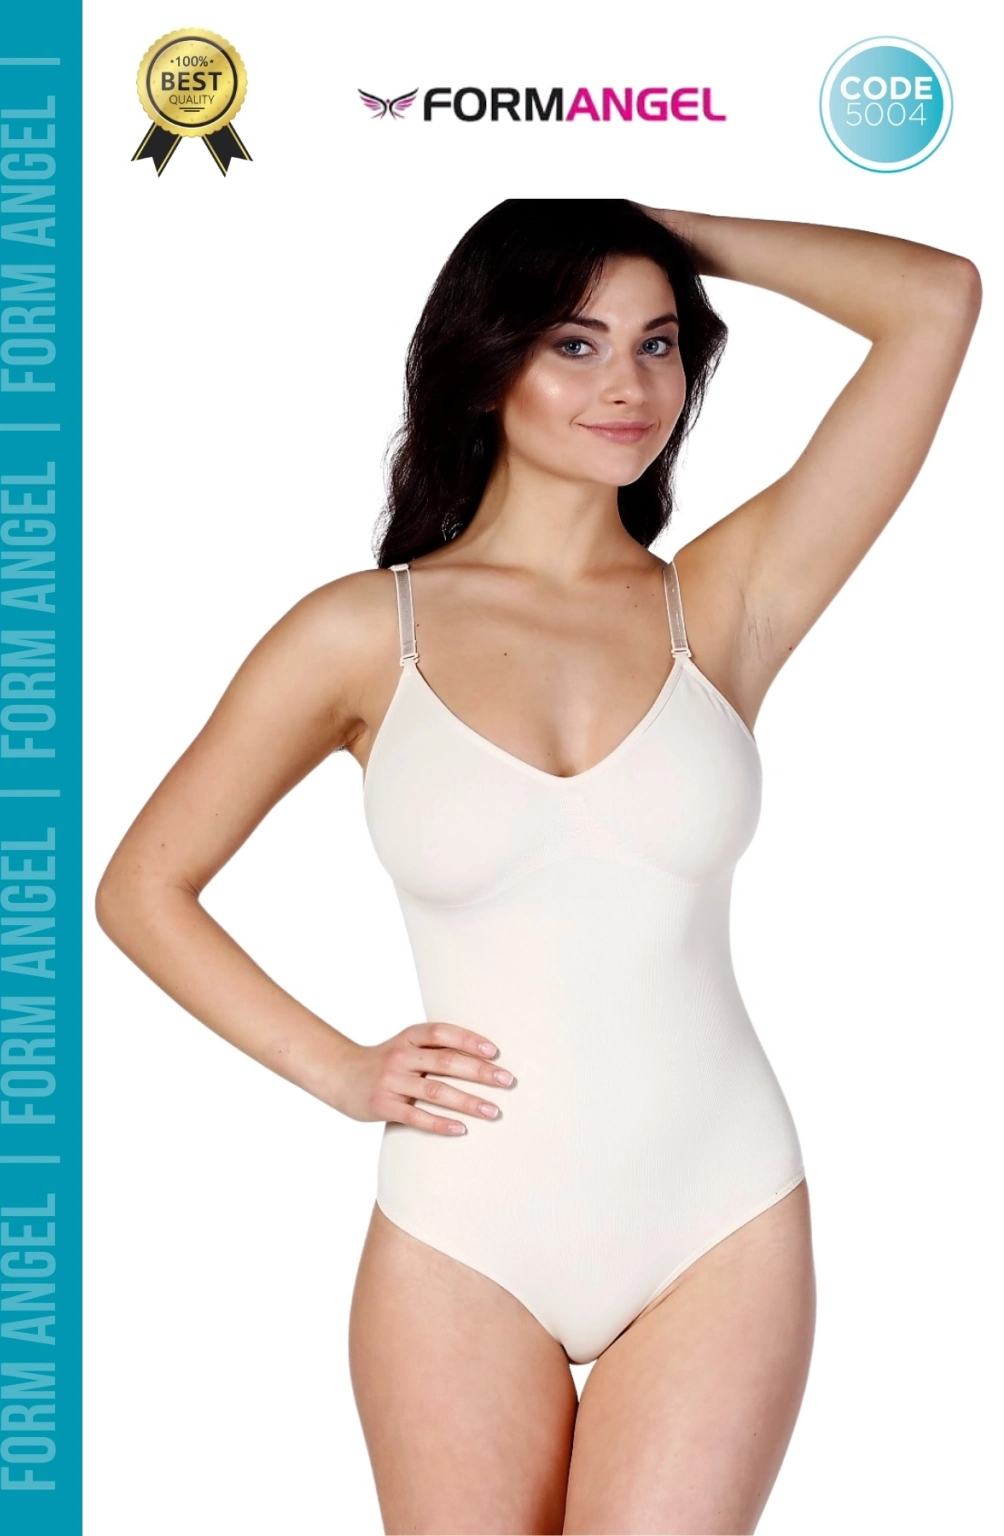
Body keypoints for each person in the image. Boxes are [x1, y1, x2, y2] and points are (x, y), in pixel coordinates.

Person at [96, 200, 980, 1534]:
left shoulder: (721, 604)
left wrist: (649, 225)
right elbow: (143, 889)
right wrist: (340, 1070)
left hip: (719, 1212)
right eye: (575, 342)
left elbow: (938, 299)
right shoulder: (363, 633)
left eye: (658, 342)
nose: (628, 383)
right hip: (465, 1226)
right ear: (487, 359)